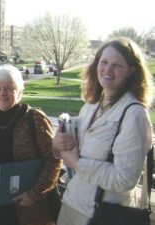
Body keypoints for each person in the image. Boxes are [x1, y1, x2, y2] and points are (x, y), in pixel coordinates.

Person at [52, 37, 154, 225]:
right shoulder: (91, 106)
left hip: (102, 215)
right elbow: (73, 149)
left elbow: (124, 180)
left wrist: (77, 162)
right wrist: (57, 145)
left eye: (117, 65)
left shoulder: (134, 115)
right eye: (104, 62)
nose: (107, 70)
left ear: (131, 71)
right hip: (71, 204)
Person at [0, 64, 62, 225]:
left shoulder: (35, 119)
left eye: (9, 88)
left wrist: (34, 194)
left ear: (20, 92)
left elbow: (54, 159)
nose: (2, 93)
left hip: (29, 207)